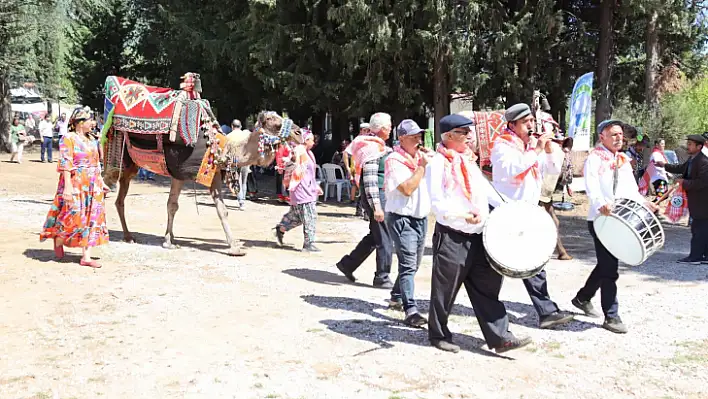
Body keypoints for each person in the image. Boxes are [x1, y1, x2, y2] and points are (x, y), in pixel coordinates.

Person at [427, 113, 531, 353]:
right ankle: (438, 334)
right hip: (453, 233)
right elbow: (437, 202)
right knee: (445, 289)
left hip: (480, 234)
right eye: (464, 133)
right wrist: (461, 215)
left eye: (469, 132)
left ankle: (500, 337)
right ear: (449, 136)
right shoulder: (438, 163)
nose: (469, 137)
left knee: (488, 286)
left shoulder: (467, 160)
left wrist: (508, 208)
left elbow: (486, 190)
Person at [490, 103, 574, 329]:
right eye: (526, 122)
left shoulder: (529, 147)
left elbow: (553, 170)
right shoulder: (502, 146)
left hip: (526, 213)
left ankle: (546, 311)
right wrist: (536, 150)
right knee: (491, 266)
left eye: (531, 121)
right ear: (512, 125)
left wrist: (548, 151)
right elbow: (511, 170)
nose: (531, 125)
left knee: (533, 261)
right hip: (506, 211)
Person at [573, 119, 658, 333]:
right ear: (602, 137)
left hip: (620, 220)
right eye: (614, 135)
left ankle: (583, 297)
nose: (619, 138)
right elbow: (591, 184)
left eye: (620, 134)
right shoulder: (595, 158)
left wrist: (644, 202)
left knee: (605, 265)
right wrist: (600, 203)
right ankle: (611, 316)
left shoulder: (622, 159)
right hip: (601, 221)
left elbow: (630, 189)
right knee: (610, 269)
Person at [39, 107, 110, 268]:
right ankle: (59, 238)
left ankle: (86, 256)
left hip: (93, 184)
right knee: (73, 215)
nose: (93, 123)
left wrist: (101, 182)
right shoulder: (68, 138)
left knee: (93, 217)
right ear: (79, 122)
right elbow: (65, 163)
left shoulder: (92, 139)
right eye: (90, 120)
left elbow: (96, 163)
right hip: (76, 182)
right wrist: (67, 188)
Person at [335, 113, 394, 288]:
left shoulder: (377, 145)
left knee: (376, 235)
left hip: (379, 195)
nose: (391, 128)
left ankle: (348, 264)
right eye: (389, 126)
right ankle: (382, 277)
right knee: (384, 237)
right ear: (383, 128)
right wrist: (377, 206)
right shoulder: (372, 147)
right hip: (376, 196)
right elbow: (369, 179)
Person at [384, 119, 432, 327]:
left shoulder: (419, 158)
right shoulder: (394, 160)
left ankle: (396, 295)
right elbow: (407, 188)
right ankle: (410, 309)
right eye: (413, 137)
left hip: (420, 218)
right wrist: (422, 167)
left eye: (419, 136)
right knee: (408, 265)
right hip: (402, 218)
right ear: (401, 138)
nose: (418, 140)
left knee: (413, 264)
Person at [275, 129, 323, 252]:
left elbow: (310, 173)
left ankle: (281, 228)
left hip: (307, 189)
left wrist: (315, 186)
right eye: (311, 139)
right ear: (305, 140)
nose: (313, 142)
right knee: (309, 217)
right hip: (301, 190)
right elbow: (291, 167)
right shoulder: (298, 152)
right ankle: (308, 244)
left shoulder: (309, 153)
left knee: (296, 216)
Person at [665, 135, 708, 264]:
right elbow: (680, 168)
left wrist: (684, 182)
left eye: (690, 144)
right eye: (688, 143)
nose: (688, 146)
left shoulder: (703, 162)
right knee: (702, 228)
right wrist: (664, 165)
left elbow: (702, 183)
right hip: (697, 202)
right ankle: (704, 255)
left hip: (703, 202)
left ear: (699, 147)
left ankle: (695, 257)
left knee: (699, 229)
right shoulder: (692, 160)